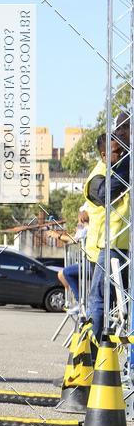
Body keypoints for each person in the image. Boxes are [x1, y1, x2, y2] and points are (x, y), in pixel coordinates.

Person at [85, 132, 130, 343]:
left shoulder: (119, 172)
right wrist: (128, 165)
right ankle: (92, 352)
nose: (121, 155)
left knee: (117, 300)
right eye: (117, 152)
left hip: (122, 246)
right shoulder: (98, 177)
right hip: (105, 248)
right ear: (104, 154)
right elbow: (105, 194)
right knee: (100, 300)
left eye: (123, 150)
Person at [58, 206, 89, 310]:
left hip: (91, 262)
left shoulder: (87, 227)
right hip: (88, 261)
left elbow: (75, 239)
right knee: (62, 273)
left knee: (66, 272)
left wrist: (58, 236)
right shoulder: (85, 227)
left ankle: (79, 302)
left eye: (79, 216)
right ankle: (75, 300)